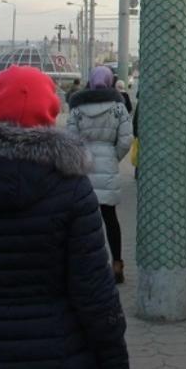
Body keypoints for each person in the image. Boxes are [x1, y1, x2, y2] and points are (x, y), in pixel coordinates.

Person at [0, 66, 128, 368]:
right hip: (62, 346)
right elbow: (93, 289)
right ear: (50, 114)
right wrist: (113, 355)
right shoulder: (72, 187)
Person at [67, 66, 133, 284]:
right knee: (110, 218)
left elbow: (70, 140)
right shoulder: (118, 107)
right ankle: (117, 264)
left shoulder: (77, 108)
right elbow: (126, 140)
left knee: (84, 221)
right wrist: (112, 156)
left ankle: (88, 267)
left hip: (83, 168)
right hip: (108, 165)